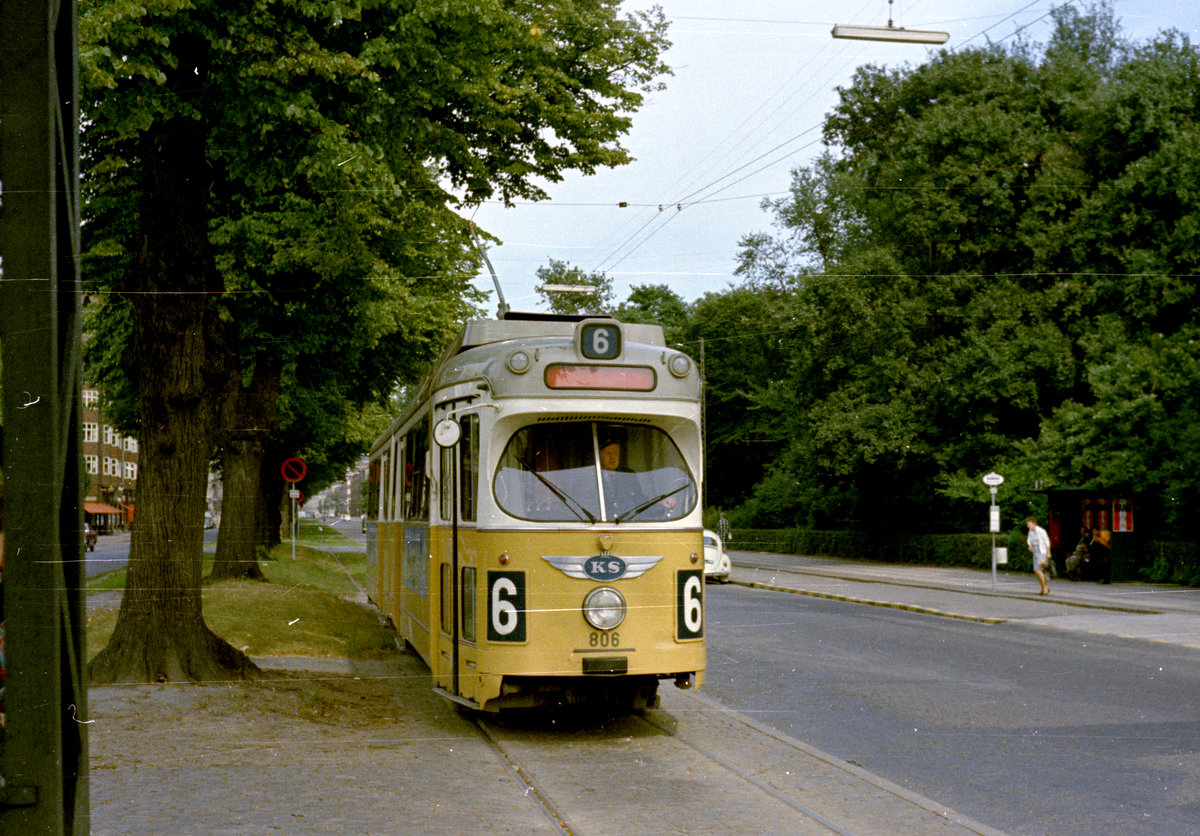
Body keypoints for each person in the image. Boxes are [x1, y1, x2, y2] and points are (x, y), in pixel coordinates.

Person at [598, 437, 676, 521]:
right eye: (608, 453)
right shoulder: (592, 476)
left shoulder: (628, 474)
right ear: (599, 455)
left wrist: (660, 503)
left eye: (615, 453)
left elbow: (639, 501)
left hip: (628, 525)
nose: (612, 457)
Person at [1025, 516, 1051, 595]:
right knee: (1036, 570)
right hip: (1035, 551)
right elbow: (1029, 541)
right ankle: (1043, 587)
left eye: (1029, 524)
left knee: (1038, 570)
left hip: (1042, 551)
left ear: (1034, 524)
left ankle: (1045, 588)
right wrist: (1030, 546)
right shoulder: (1030, 532)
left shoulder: (1041, 531)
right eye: (1027, 524)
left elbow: (1047, 542)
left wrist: (1048, 552)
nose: (1028, 526)